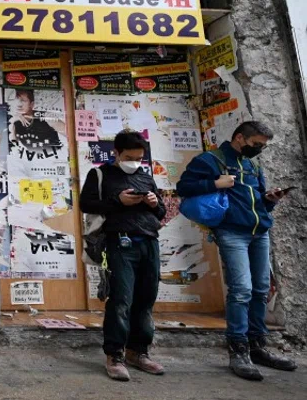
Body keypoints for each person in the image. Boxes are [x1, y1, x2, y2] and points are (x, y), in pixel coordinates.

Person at [177, 121, 298, 381]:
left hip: (260, 232)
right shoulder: (210, 160)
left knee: (260, 290)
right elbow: (183, 188)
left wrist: (270, 199)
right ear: (240, 138)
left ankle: (258, 346)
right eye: (256, 144)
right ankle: (238, 350)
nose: (259, 150)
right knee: (241, 290)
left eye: (263, 146)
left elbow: (257, 200)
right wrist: (215, 184)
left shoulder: (252, 165)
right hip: (232, 232)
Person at [79, 130, 166, 382]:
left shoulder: (145, 177)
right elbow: (87, 205)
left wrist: (153, 203)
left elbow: (160, 212)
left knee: (146, 299)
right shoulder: (100, 174)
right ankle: (114, 354)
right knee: (121, 299)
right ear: (116, 153)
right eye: (129, 157)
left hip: (149, 242)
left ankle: (138, 351)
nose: (134, 162)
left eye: (139, 157)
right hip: (118, 243)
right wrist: (118, 201)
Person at [9, 89, 62, 157]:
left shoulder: (45, 117)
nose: (19, 104)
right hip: (30, 163)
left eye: (23, 101)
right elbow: (14, 146)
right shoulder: (15, 122)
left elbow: (69, 133)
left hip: (53, 161)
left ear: (31, 104)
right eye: (16, 100)